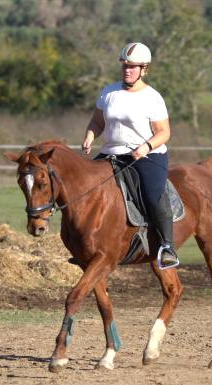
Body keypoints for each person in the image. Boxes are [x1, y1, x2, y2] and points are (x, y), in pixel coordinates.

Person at [82, 42, 179, 269]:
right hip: (111, 153)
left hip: (145, 155)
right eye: (125, 66)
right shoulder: (109, 92)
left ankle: (167, 246)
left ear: (144, 69)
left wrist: (146, 146)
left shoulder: (152, 98)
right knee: (83, 187)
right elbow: (97, 121)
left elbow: (164, 132)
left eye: (133, 67)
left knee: (153, 194)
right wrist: (89, 136)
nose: (127, 70)